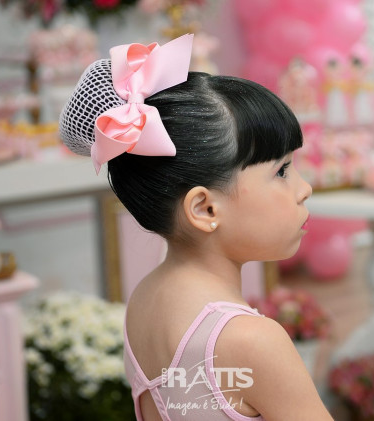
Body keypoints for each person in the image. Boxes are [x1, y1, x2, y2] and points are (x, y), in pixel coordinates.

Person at [59, 33, 332, 421]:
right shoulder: (251, 341)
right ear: (204, 208)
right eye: (282, 171)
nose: (304, 189)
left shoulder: (144, 300)